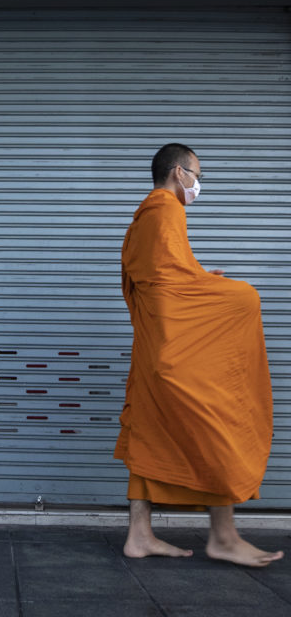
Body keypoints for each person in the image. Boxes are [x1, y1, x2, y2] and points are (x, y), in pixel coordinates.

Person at [115, 143, 283, 567]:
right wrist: (226, 292)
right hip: (176, 350)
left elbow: (163, 275)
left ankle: (139, 536)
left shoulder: (143, 216)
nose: (198, 183)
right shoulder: (166, 209)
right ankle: (223, 537)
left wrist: (200, 276)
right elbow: (169, 282)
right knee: (218, 417)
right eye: (197, 174)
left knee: (152, 432)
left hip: (155, 349)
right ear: (178, 172)